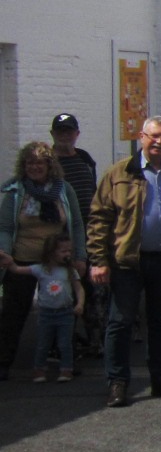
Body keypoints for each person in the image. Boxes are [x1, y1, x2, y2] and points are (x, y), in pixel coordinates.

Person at [86, 117, 161, 407]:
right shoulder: (119, 174)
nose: (159, 142)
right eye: (154, 136)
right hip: (126, 262)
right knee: (120, 322)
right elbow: (99, 219)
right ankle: (118, 382)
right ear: (142, 137)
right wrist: (98, 261)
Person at [0, 142, 87, 380]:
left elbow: (77, 225)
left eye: (40, 162)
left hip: (58, 262)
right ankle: (4, 361)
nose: (35, 167)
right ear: (23, 165)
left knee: (62, 309)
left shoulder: (63, 190)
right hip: (23, 260)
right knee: (13, 313)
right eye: (30, 162)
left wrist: (80, 255)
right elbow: (6, 228)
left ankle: (65, 362)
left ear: (50, 165)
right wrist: (5, 253)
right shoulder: (15, 191)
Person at [50, 112, 103, 358]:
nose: (65, 136)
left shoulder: (84, 159)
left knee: (93, 289)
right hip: (60, 238)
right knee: (62, 290)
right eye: (60, 132)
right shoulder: (47, 162)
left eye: (69, 131)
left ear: (77, 134)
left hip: (89, 234)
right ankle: (62, 344)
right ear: (53, 135)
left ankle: (95, 341)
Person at [2, 234, 82, 382]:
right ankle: (39, 370)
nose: (68, 254)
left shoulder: (70, 270)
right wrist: (10, 263)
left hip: (65, 312)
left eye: (69, 251)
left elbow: (79, 288)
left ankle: (66, 370)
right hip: (46, 314)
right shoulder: (40, 269)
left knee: (65, 344)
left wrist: (80, 304)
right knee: (43, 343)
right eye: (63, 251)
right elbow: (18, 270)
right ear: (51, 253)